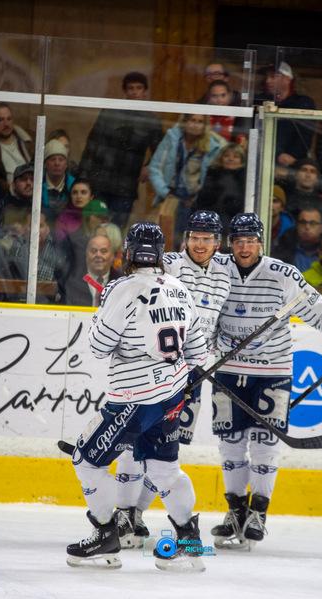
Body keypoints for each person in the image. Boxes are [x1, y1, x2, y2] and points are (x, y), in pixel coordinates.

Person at [209, 213, 322, 549]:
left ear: (261, 242)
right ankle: (236, 511)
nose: (244, 248)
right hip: (228, 368)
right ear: (230, 243)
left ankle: (258, 513)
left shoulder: (282, 274)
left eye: (250, 241)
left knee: (265, 441)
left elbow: (317, 308)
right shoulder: (215, 268)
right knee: (230, 442)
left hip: (273, 369)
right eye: (238, 241)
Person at [67, 222, 208, 572]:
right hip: (170, 396)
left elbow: (99, 346)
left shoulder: (121, 288)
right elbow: (198, 353)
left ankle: (105, 536)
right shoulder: (180, 288)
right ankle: (190, 544)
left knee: (86, 460)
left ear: (127, 252)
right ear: (160, 254)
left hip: (133, 399)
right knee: (165, 469)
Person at [112, 211, 233, 549]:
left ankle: (135, 513)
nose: (200, 244)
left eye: (206, 239)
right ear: (185, 239)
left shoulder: (225, 274)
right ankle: (124, 513)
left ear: (217, 243)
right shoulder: (168, 265)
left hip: (194, 373)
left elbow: (215, 325)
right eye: (194, 237)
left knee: (166, 450)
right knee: (133, 440)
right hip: (156, 371)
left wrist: (206, 360)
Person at [78, 72, 163, 228]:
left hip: (126, 186)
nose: (135, 92)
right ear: (125, 91)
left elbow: (161, 150)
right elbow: (92, 145)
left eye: (139, 88)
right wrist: (83, 178)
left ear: (145, 92)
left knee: (116, 230)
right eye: (131, 88)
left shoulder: (151, 120)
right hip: (101, 181)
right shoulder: (110, 113)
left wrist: (150, 166)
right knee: (94, 226)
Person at [149, 114, 225, 238]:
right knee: (165, 237)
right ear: (184, 122)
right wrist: (165, 192)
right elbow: (154, 168)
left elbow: (212, 178)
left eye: (200, 122)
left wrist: (197, 197)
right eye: (192, 120)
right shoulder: (172, 137)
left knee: (189, 238)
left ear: (205, 126)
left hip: (195, 201)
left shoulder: (212, 145)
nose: (195, 125)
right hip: (170, 196)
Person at [254, 62, 316, 166]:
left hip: (293, 163)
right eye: (267, 77)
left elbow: (305, 135)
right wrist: (278, 155)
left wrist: (292, 157)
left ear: (287, 79)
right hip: (260, 159)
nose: (268, 81)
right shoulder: (259, 101)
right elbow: (255, 132)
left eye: (273, 76)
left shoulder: (303, 103)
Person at [0, 102, 33, 191]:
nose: (6, 124)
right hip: (4, 193)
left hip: (32, 190)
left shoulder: (27, 140)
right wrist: (10, 188)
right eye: (0, 120)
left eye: (9, 119)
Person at [194, 143, 246, 223]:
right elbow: (202, 201)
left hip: (237, 221)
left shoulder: (246, 178)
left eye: (236, 157)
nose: (230, 159)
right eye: (226, 156)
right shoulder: (212, 174)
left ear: (242, 160)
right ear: (221, 158)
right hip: (211, 220)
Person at [63, 234, 119, 307]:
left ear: (112, 256)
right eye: (93, 251)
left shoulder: (121, 283)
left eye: (103, 251)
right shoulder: (72, 281)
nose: (98, 255)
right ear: (86, 255)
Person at [274, 206, 322, 272]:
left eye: (312, 223)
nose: (307, 227)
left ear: (321, 227)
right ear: (297, 225)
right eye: (303, 222)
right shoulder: (283, 247)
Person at [41, 139, 75, 213]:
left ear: (66, 164)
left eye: (61, 159)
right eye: (53, 159)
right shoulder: (37, 184)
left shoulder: (74, 185)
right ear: (45, 164)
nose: (57, 163)